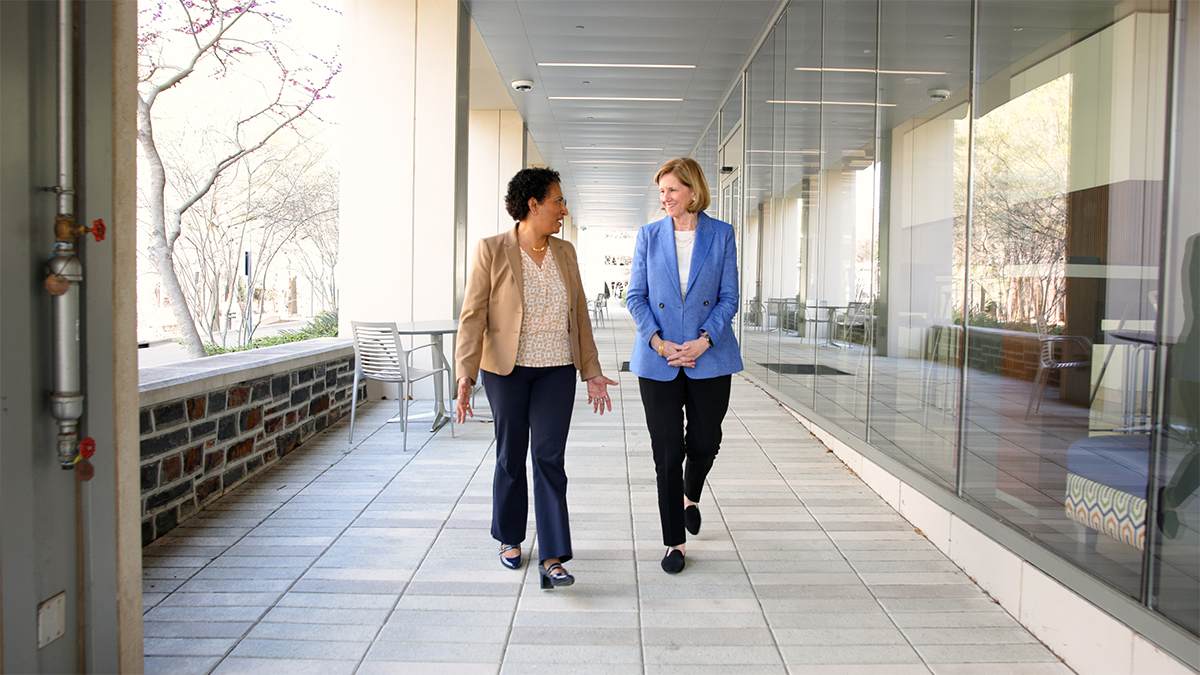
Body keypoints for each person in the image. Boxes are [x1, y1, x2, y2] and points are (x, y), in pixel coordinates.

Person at [455, 167, 618, 590]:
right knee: (511, 455)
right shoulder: (492, 249)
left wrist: (592, 371)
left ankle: (552, 555)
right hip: (505, 372)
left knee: (549, 458)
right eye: (557, 201)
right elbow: (473, 316)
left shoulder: (565, 252)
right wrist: (465, 374)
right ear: (533, 204)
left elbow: (579, 314)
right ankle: (509, 536)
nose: (564, 210)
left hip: (556, 371)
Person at [625, 157, 742, 574]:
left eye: (672, 190)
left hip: (709, 356)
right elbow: (635, 296)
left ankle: (691, 493)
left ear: (693, 191)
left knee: (705, 441)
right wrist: (658, 342)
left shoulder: (722, 234)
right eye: (661, 192)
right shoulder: (649, 236)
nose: (665, 198)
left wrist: (702, 341)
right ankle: (674, 542)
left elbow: (730, 296)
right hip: (658, 360)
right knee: (667, 451)